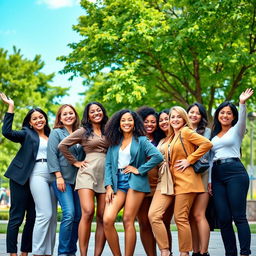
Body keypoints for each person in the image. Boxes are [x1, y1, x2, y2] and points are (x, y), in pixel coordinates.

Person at [0, 92, 57, 256]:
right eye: (35, 119)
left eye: (41, 117)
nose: (39, 120)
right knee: (16, 218)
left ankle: (26, 252)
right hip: (20, 178)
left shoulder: (51, 135)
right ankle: (13, 253)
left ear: (45, 119)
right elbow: (7, 132)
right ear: (30, 123)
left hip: (41, 179)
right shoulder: (26, 133)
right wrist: (11, 107)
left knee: (33, 218)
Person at [103, 109, 163, 256]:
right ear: (118, 124)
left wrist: (139, 169)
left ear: (135, 123)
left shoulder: (141, 140)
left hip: (135, 182)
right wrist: (109, 186)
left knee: (127, 219)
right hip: (118, 182)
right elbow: (109, 165)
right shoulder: (114, 142)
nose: (126, 123)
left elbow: (158, 156)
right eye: (123, 120)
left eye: (129, 120)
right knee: (107, 220)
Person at [59, 102, 108, 256]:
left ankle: (97, 254)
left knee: (102, 216)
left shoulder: (109, 130)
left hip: (106, 173)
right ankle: (83, 254)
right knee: (87, 211)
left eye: (98, 110)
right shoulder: (83, 131)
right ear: (88, 115)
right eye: (92, 111)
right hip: (87, 173)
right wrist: (75, 162)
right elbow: (62, 145)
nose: (96, 113)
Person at [161, 106, 212, 256]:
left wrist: (189, 160)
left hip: (187, 181)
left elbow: (207, 144)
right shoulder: (173, 135)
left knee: (180, 218)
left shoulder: (185, 131)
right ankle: (187, 251)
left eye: (178, 117)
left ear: (184, 119)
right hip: (177, 182)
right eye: (172, 117)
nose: (175, 120)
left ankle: (184, 253)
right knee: (183, 218)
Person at [209, 88, 254, 256]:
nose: (225, 115)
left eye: (229, 113)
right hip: (217, 175)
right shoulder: (213, 135)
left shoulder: (237, 131)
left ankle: (244, 252)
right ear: (218, 115)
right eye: (222, 112)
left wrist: (242, 103)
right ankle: (230, 253)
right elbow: (212, 159)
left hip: (235, 172)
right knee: (224, 218)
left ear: (233, 116)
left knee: (239, 216)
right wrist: (210, 182)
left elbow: (243, 119)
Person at [47, 104, 84, 256]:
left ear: (75, 115)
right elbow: (52, 154)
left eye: (71, 113)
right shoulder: (56, 133)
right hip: (62, 179)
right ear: (60, 118)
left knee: (78, 216)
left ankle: (71, 251)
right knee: (69, 214)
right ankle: (62, 252)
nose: (68, 116)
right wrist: (58, 176)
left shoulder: (81, 133)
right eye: (65, 114)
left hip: (79, 181)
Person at [148, 109, 175, 256]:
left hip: (180, 182)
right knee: (158, 217)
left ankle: (186, 252)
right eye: (162, 120)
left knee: (173, 220)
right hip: (163, 182)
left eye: (167, 119)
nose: (164, 122)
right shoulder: (162, 140)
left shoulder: (180, 135)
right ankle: (166, 251)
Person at [136, 106, 162, 256]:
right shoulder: (134, 139)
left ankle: (166, 251)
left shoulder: (161, 139)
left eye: (153, 122)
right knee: (144, 223)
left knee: (159, 221)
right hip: (141, 185)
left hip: (159, 185)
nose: (150, 125)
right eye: (146, 122)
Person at [187, 103, 211, 256]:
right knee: (189, 216)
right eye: (191, 112)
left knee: (198, 214)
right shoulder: (181, 130)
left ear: (202, 116)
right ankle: (195, 251)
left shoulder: (207, 132)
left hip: (202, 175)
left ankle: (204, 252)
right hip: (186, 177)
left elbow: (208, 156)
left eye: (198, 113)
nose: (194, 115)